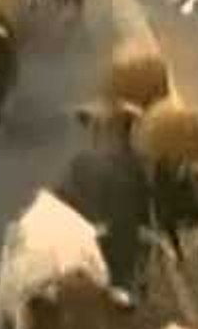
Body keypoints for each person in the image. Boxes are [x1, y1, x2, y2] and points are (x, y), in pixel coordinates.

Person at [53, 106, 153, 304]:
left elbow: (64, 197)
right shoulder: (133, 165)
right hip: (117, 233)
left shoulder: (83, 162)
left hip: (104, 232)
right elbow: (144, 203)